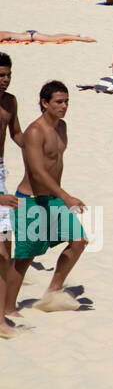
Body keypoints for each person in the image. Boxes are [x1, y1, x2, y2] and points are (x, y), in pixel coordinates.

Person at [6, 81, 86, 315]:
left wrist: (61, 196)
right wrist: (66, 196)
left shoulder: (62, 127)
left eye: (67, 101)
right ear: (44, 103)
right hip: (31, 200)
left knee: (79, 241)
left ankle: (53, 292)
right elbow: (38, 171)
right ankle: (8, 309)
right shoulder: (34, 131)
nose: (64, 106)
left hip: (53, 199)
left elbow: (55, 164)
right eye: (59, 102)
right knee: (25, 258)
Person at [0, 54, 23, 337]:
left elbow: (16, 133)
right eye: (0, 76)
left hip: (1, 171)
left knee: (6, 246)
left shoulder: (10, 102)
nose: (5, 80)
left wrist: (36, 146)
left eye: (8, 74)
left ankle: (6, 306)